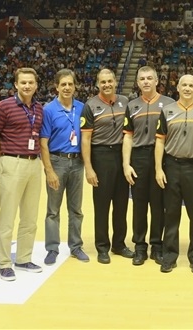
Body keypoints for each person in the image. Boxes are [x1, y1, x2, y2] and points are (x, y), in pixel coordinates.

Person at [0, 67, 44, 281]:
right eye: (23, 83)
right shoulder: (4, 106)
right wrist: (6, 156)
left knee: (30, 216)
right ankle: (4, 263)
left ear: (36, 85)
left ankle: (23, 257)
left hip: (33, 163)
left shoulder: (39, 108)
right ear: (16, 85)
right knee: (8, 215)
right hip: (13, 162)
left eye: (31, 82)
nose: (27, 86)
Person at [155, 74, 193, 273]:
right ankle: (170, 256)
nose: (187, 88)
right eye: (184, 85)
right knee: (171, 214)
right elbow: (160, 141)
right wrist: (158, 168)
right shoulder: (167, 110)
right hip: (172, 165)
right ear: (177, 88)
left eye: (191, 85)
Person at [81, 69, 134, 264]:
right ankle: (102, 247)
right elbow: (85, 139)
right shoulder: (90, 105)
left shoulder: (125, 101)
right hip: (101, 156)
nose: (106, 85)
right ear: (97, 84)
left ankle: (119, 245)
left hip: (122, 156)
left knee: (121, 205)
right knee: (102, 206)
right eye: (102, 82)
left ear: (115, 81)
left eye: (109, 81)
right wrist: (89, 168)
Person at [123, 66, 175, 265]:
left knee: (158, 204)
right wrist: (126, 164)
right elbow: (127, 136)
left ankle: (157, 246)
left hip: (161, 158)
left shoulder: (169, 103)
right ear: (137, 83)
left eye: (149, 78)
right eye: (142, 79)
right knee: (139, 204)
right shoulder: (132, 105)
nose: (146, 81)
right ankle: (140, 247)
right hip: (139, 158)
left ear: (156, 81)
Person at [40, 69, 88, 265]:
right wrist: (49, 170)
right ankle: (52, 248)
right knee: (53, 210)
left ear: (75, 86)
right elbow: (43, 143)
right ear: (56, 87)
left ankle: (75, 246)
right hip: (57, 161)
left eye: (70, 84)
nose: (67, 88)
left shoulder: (82, 108)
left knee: (76, 209)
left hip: (77, 163)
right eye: (63, 84)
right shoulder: (49, 110)